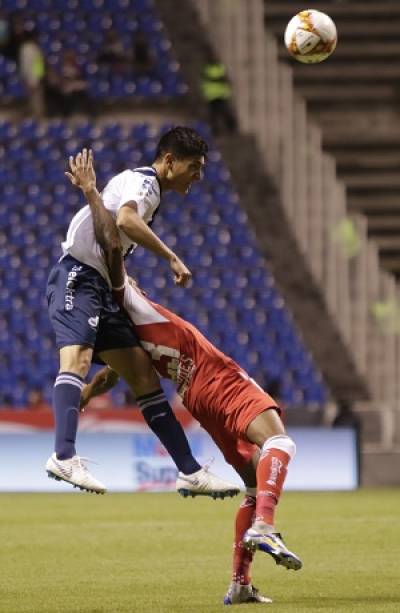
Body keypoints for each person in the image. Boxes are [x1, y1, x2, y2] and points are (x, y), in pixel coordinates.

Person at [67, 148, 302, 605]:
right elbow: (118, 235)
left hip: (194, 394)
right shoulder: (117, 288)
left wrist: (86, 395)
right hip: (215, 375)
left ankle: (240, 583)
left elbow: (118, 377)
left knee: (254, 482)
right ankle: (267, 527)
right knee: (280, 443)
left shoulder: (124, 333)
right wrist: (94, 193)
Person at [45, 127, 239, 500]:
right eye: (194, 167)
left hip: (100, 283)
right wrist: (171, 257)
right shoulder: (145, 183)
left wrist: (123, 288)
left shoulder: (147, 190)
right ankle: (63, 456)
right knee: (78, 358)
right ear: (169, 161)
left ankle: (190, 471)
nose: (198, 177)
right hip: (77, 276)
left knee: (141, 372)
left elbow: (114, 245)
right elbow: (125, 222)